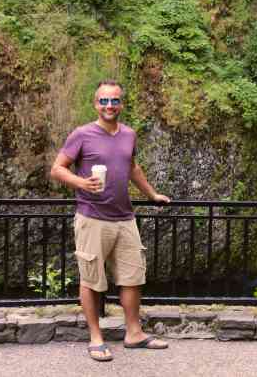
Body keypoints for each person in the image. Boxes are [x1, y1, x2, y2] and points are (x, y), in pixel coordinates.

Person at [51, 79, 171, 362]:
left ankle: (134, 333)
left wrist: (152, 194)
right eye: (104, 100)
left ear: (121, 104)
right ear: (96, 104)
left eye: (114, 100)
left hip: (125, 218)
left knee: (132, 278)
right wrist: (81, 183)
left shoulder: (129, 134)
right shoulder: (82, 134)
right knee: (91, 279)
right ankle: (96, 337)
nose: (109, 105)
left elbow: (132, 168)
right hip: (92, 217)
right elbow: (57, 169)